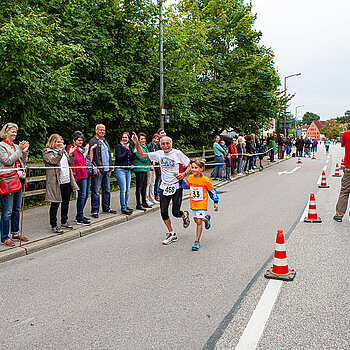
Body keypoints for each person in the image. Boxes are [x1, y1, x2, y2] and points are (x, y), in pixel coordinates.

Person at [131, 132, 191, 245]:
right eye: (163, 144)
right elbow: (142, 154)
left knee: (175, 212)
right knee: (163, 211)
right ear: (160, 144)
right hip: (164, 187)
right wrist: (137, 143)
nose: (165, 146)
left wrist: (184, 174)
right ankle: (171, 233)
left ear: (171, 143)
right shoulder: (158, 154)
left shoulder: (177, 153)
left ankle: (184, 215)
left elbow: (189, 165)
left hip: (176, 186)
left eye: (167, 143)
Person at [0, 123, 29, 246]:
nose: (14, 134)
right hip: (7, 181)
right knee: (7, 210)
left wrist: (24, 152)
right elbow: (7, 161)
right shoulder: (1, 146)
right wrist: (19, 151)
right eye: (12, 131)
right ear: (5, 132)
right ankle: (4, 236)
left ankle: (15, 232)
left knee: (17, 208)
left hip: (18, 179)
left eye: (15, 132)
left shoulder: (16, 146)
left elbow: (22, 160)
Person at [43, 134, 79, 233]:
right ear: (52, 142)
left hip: (66, 180)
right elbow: (54, 161)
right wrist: (60, 153)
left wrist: (71, 154)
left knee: (66, 202)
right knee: (55, 203)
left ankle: (64, 221)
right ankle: (53, 225)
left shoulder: (64, 152)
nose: (60, 144)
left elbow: (71, 162)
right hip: (55, 182)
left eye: (61, 142)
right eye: (58, 142)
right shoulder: (47, 152)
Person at [180, 159, 219, 251]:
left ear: (201, 168)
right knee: (196, 220)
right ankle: (206, 219)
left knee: (198, 221)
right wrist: (180, 180)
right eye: (192, 168)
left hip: (202, 203)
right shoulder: (190, 178)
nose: (193, 170)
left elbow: (212, 191)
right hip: (193, 203)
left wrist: (215, 201)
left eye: (196, 168)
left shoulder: (205, 180)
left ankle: (197, 241)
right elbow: (186, 186)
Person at [88, 124, 116, 218]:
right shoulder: (93, 141)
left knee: (107, 190)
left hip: (106, 170)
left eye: (103, 130)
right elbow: (91, 157)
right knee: (96, 191)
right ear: (96, 130)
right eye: (100, 130)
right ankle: (95, 210)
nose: (102, 132)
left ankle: (106, 207)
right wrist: (96, 168)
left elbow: (108, 155)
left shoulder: (105, 142)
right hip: (99, 171)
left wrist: (111, 167)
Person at [67, 131, 91, 225]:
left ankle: (80, 214)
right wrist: (86, 151)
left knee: (85, 195)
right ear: (74, 140)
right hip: (78, 175)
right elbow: (77, 160)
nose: (80, 142)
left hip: (84, 173)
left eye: (81, 140)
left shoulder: (80, 149)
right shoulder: (71, 149)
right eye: (79, 140)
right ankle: (79, 216)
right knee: (81, 195)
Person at [114, 132, 135, 215]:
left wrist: (134, 153)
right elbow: (119, 158)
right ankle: (123, 207)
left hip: (128, 169)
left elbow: (131, 159)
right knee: (123, 189)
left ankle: (125, 205)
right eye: (123, 137)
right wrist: (126, 151)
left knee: (128, 189)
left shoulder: (130, 146)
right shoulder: (119, 147)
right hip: (120, 169)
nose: (125, 139)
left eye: (126, 137)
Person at [334, 130, 350, 222]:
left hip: (348, 166)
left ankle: (339, 215)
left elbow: (342, 145)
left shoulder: (346, 134)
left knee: (344, 191)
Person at [133, 132, 151, 211]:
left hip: (146, 168)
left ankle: (144, 201)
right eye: (141, 139)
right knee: (139, 187)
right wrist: (148, 157)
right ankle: (138, 203)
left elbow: (148, 155)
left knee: (145, 186)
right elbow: (142, 157)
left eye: (144, 139)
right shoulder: (137, 147)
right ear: (138, 140)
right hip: (140, 169)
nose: (143, 140)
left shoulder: (145, 147)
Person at [147, 133, 161, 205]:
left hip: (154, 166)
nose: (156, 140)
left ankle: (152, 197)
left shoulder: (157, 147)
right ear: (152, 138)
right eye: (155, 138)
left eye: (157, 139)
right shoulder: (149, 146)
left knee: (153, 182)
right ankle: (147, 198)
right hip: (149, 166)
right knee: (148, 183)